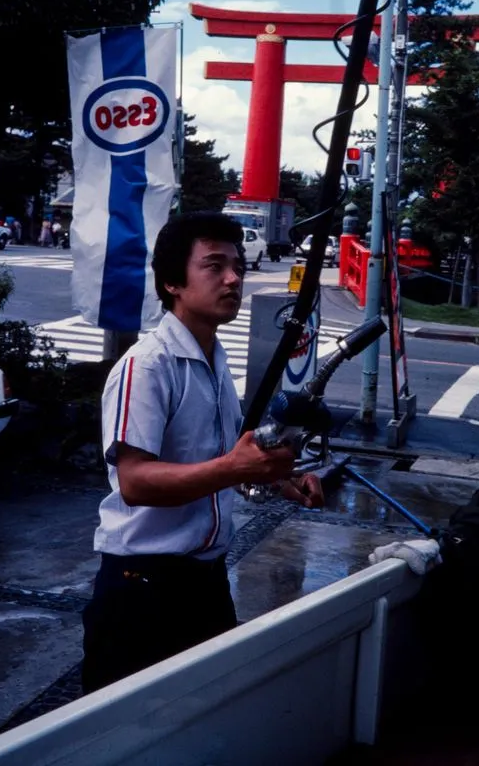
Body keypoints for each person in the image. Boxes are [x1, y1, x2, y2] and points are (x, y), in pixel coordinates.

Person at [82, 211, 324, 694]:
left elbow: (222, 456)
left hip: (206, 581)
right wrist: (234, 466)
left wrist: (281, 480)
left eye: (238, 265)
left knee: (207, 714)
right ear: (173, 281)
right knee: (123, 733)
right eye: (214, 266)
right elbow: (135, 482)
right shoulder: (147, 367)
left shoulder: (214, 358)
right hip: (142, 587)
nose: (234, 277)